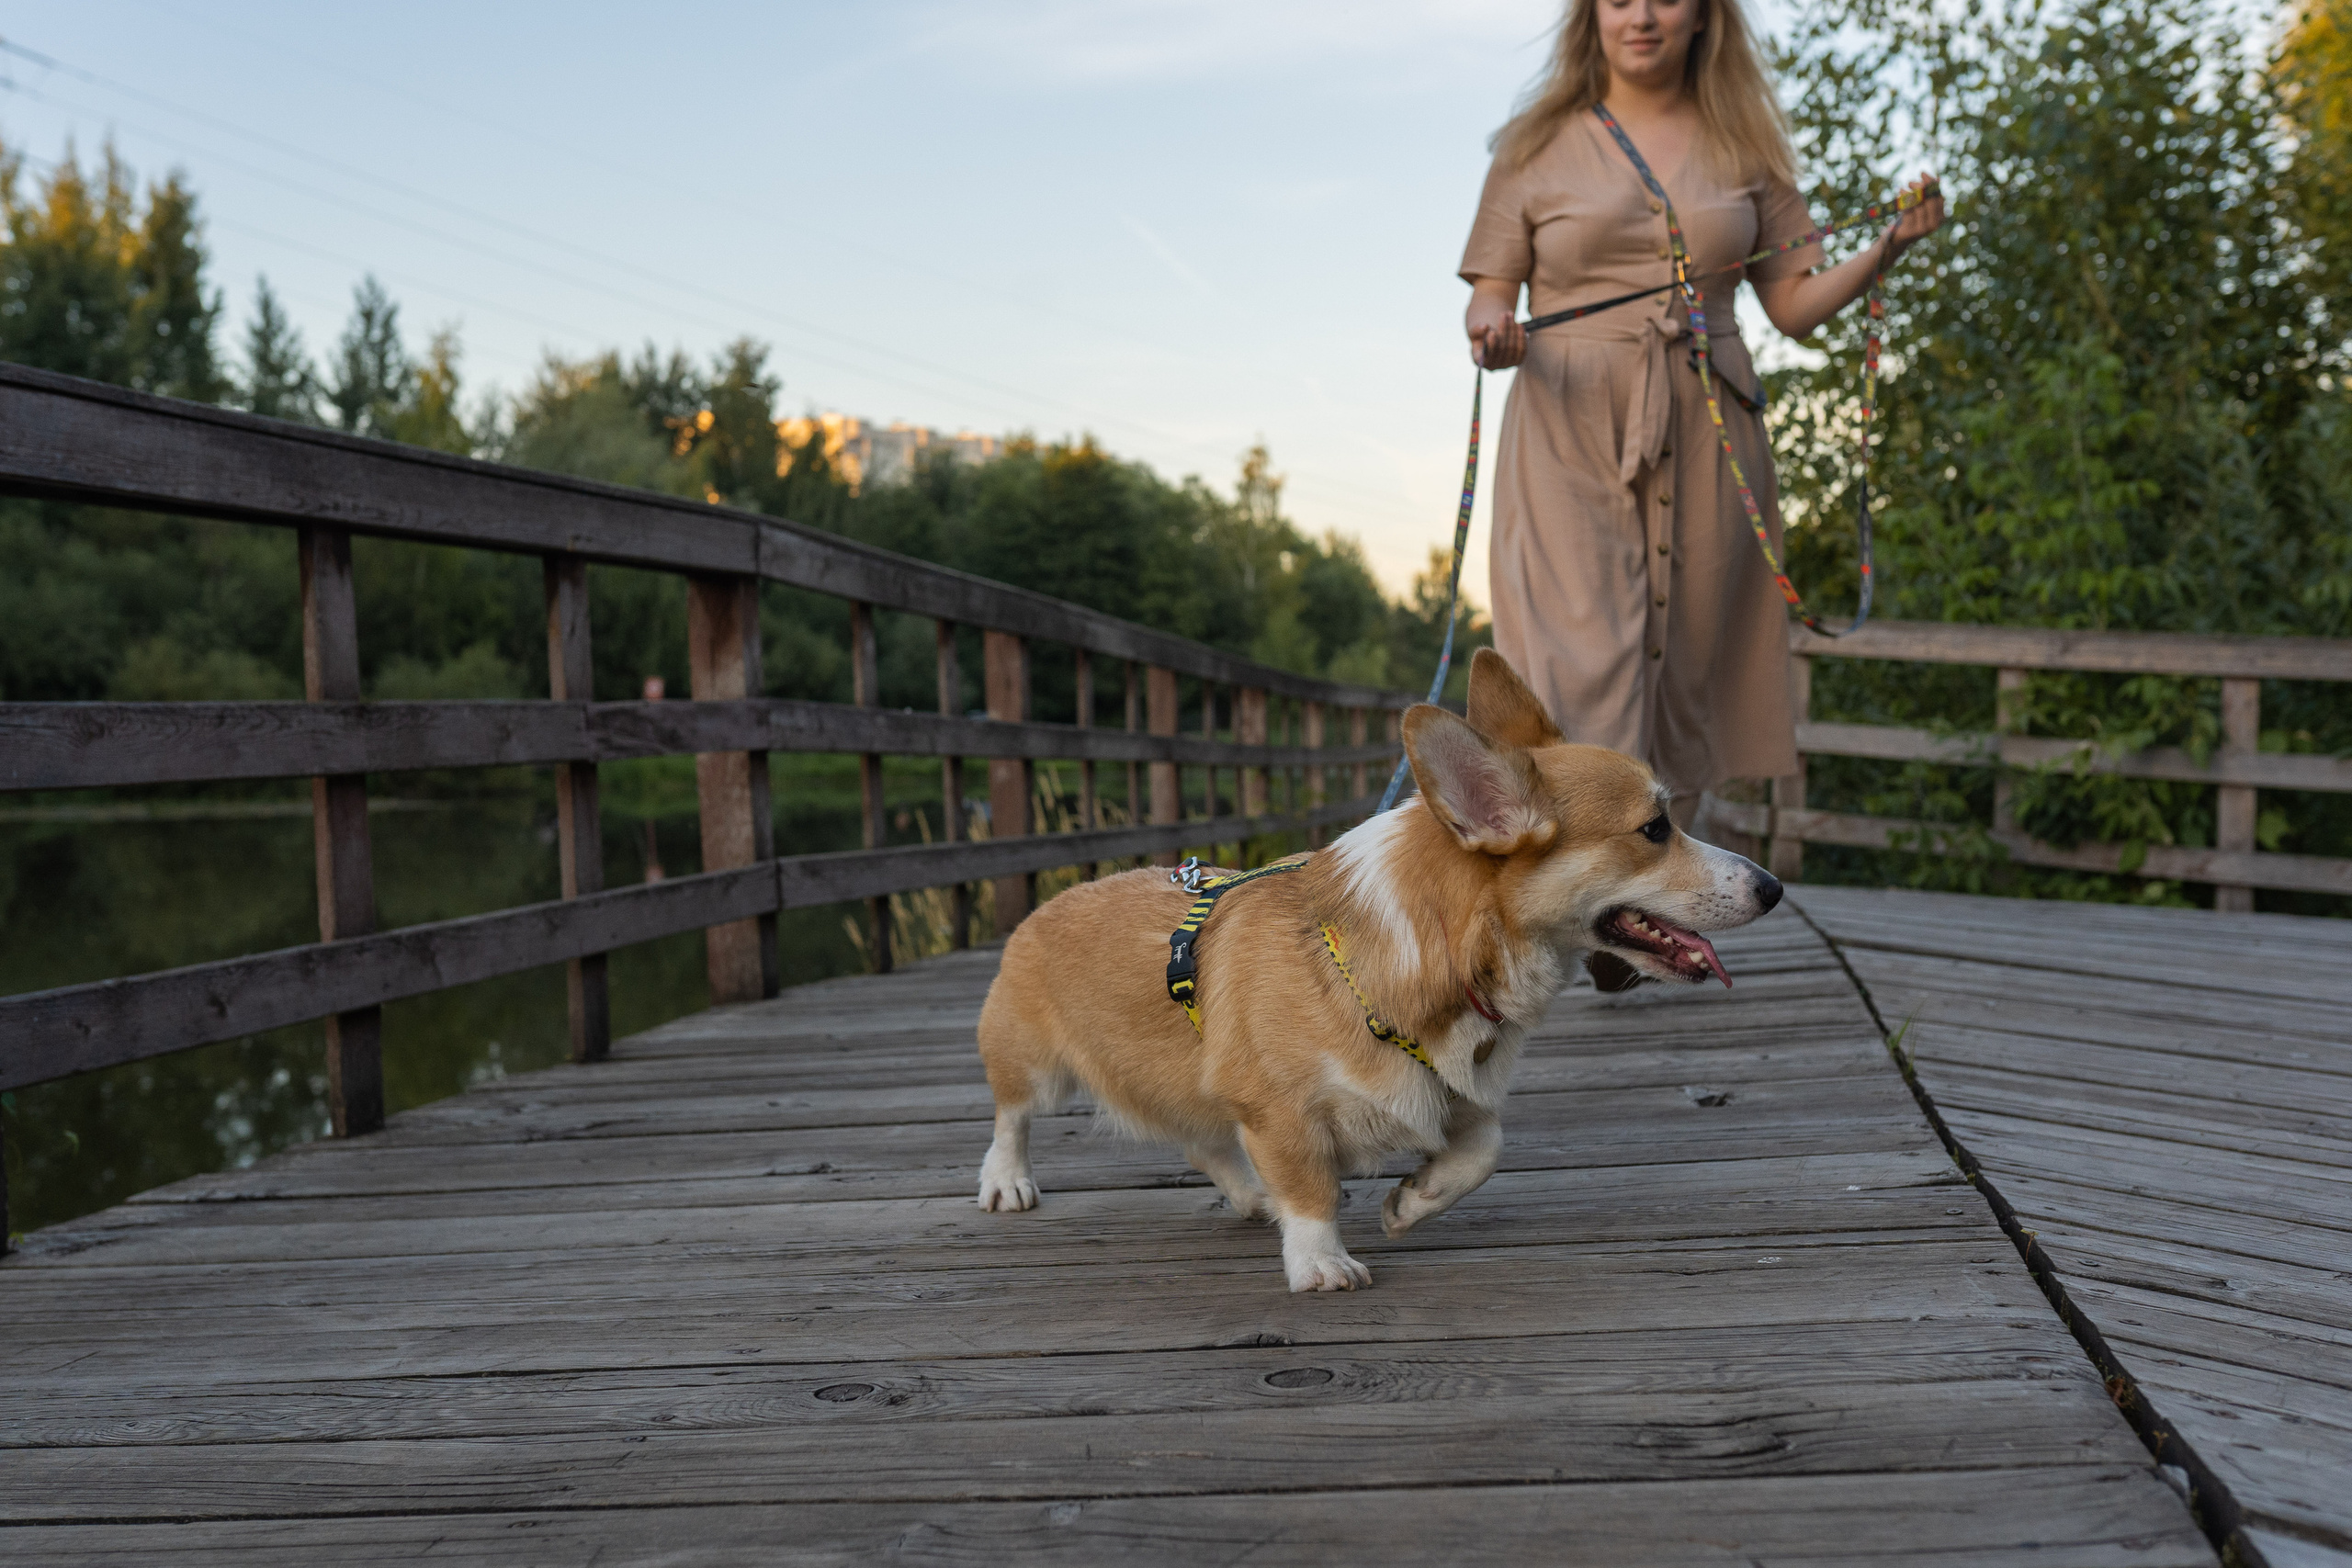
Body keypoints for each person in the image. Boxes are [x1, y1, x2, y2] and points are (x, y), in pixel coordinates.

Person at [1459, 0, 1944, 828]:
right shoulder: (1533, 145)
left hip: (1711, 428)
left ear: (1705, 16)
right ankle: (1580, 876)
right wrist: (1492, 331)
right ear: (1591, 16)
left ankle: (1667, 882)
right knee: (1577, 664)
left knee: (1690, 667)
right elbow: (1489, 297)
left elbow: (1792, 306)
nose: (1642, 16)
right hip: (1567, 430)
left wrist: (1888, 246)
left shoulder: (1746, 145)